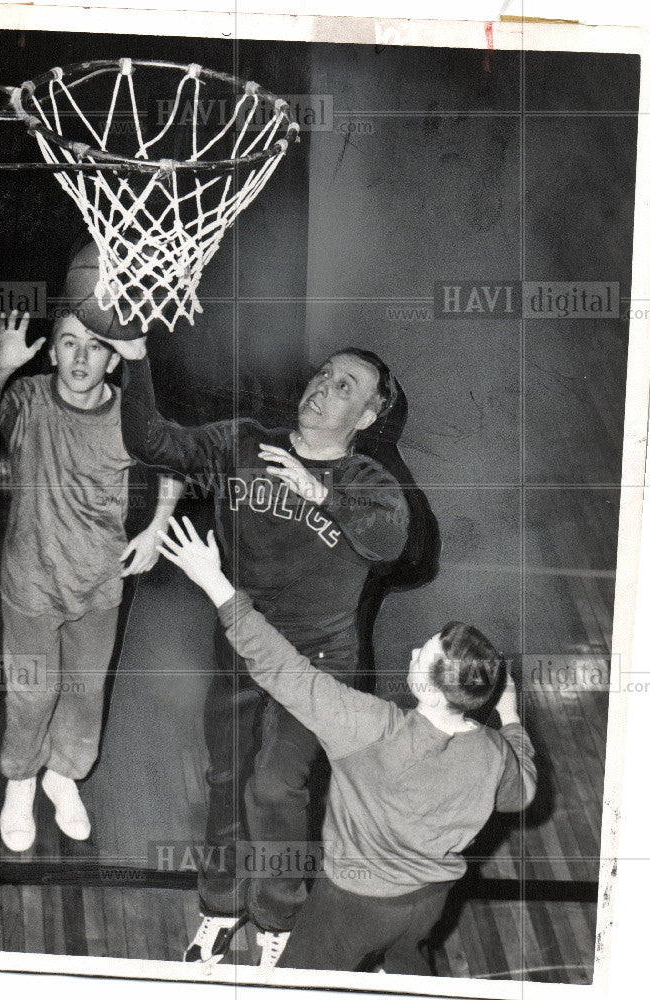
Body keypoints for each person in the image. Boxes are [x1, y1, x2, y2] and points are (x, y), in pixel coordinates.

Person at [105, 335, 437, 968]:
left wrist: (322, 495)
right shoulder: (243, 444)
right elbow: (152, 441)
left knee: (276, 787)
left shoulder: (369, 479)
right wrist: (137, 357)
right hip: (243, 641)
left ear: (366, 418)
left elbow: (396, 543)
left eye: (347, 387)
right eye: (325, 375)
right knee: (225, 777)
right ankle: (220, 906)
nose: (324, 387)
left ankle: (279, 919)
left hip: (321, 665)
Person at [155, 516, 537, 975]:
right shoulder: (494, 755)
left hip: (351, 906)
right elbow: (522, 793)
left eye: (425, 654)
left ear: (435, 690)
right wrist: (511, 718)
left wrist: (214, 581)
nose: (414, 653)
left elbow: (280, 668)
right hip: (430, 903)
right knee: (408, 967)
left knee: (302, 980)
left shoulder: (370, 727)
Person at [0, 308, 182, 852]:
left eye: (94, 346)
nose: (78, 357)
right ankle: (21, 780)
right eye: (68, 343)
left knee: (85, 691)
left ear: (115, 359)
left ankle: (62, 775)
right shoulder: (28, 401)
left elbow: (175, 463)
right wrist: (1, 370)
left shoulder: (130, 416)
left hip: (98, 583)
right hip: (30, 582)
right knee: (31, 693)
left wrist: (159, 526)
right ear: (51, 352)